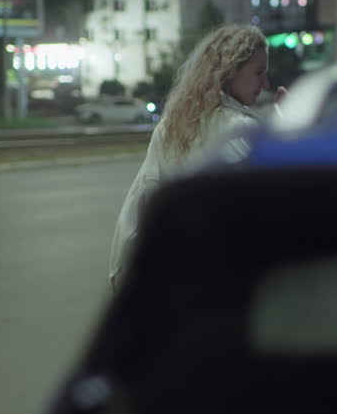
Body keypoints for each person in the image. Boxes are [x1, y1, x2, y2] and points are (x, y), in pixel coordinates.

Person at [107, 24, 286, 291]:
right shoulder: (243, 130)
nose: (265, 84)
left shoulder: (172, 125)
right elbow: (282, 202)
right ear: (231, 69)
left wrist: (120, 274)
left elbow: (140, 203)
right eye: (259, 73)